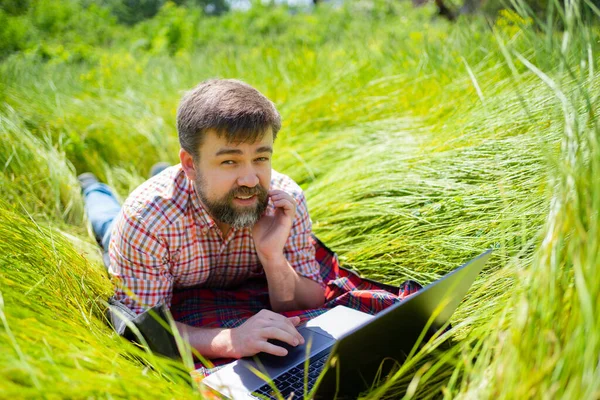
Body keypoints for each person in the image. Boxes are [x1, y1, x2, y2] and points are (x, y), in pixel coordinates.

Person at [80, 79, 326, 360]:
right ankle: (92, 188)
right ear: (190, 164)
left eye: (260, 158)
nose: (249, 179)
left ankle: (162, 172)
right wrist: (229, 340)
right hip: (135, 229)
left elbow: (312, 298)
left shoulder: (283, 203)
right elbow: (143, 326)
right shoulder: (146, 218)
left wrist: (273, 257)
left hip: (186, 203)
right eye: (229, 162)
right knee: (106, 222)